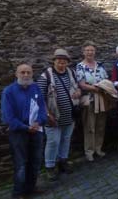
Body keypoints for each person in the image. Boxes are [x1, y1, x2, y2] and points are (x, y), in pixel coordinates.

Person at [1, 64, 47, 198]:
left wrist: (38, 122)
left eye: (28, 72)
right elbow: (8, 117)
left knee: (36, 160)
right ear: (16, 74)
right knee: (21, 164)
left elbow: (42, 109)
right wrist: (26, 127)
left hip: (36, 130)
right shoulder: (8, 92)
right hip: (18, 133)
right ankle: (18, 193)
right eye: (22, 72)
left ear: (32, 74)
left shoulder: (35, 88)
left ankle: (31, 188)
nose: (26, 75)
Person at [37, 49, 80, 181]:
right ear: (54, 61)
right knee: (53, 142)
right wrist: (47, 114)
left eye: (64, 62)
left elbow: (77, 87)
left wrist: (78, 91)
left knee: (65, 139)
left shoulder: (71, 72)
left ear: (67, 62)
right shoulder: (46, 76)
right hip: (53, 116)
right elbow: (39, 97)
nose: (61, 64)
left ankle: (63, 162)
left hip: (70, 114)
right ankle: (50, 167)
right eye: (59, 62)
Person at [76, 41, 109, 162]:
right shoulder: (80, 67)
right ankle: (89, 151)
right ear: (83, 52)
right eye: (87, 50)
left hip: (102, 98)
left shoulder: (100, 65)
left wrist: (104, 87)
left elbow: (106, 79)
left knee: (100, 125)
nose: (90, 52)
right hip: (89, 100)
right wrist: (97, 88)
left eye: (92, 50)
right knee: (89, 126)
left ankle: (98, 148)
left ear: (95, 52)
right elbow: (82, 85)